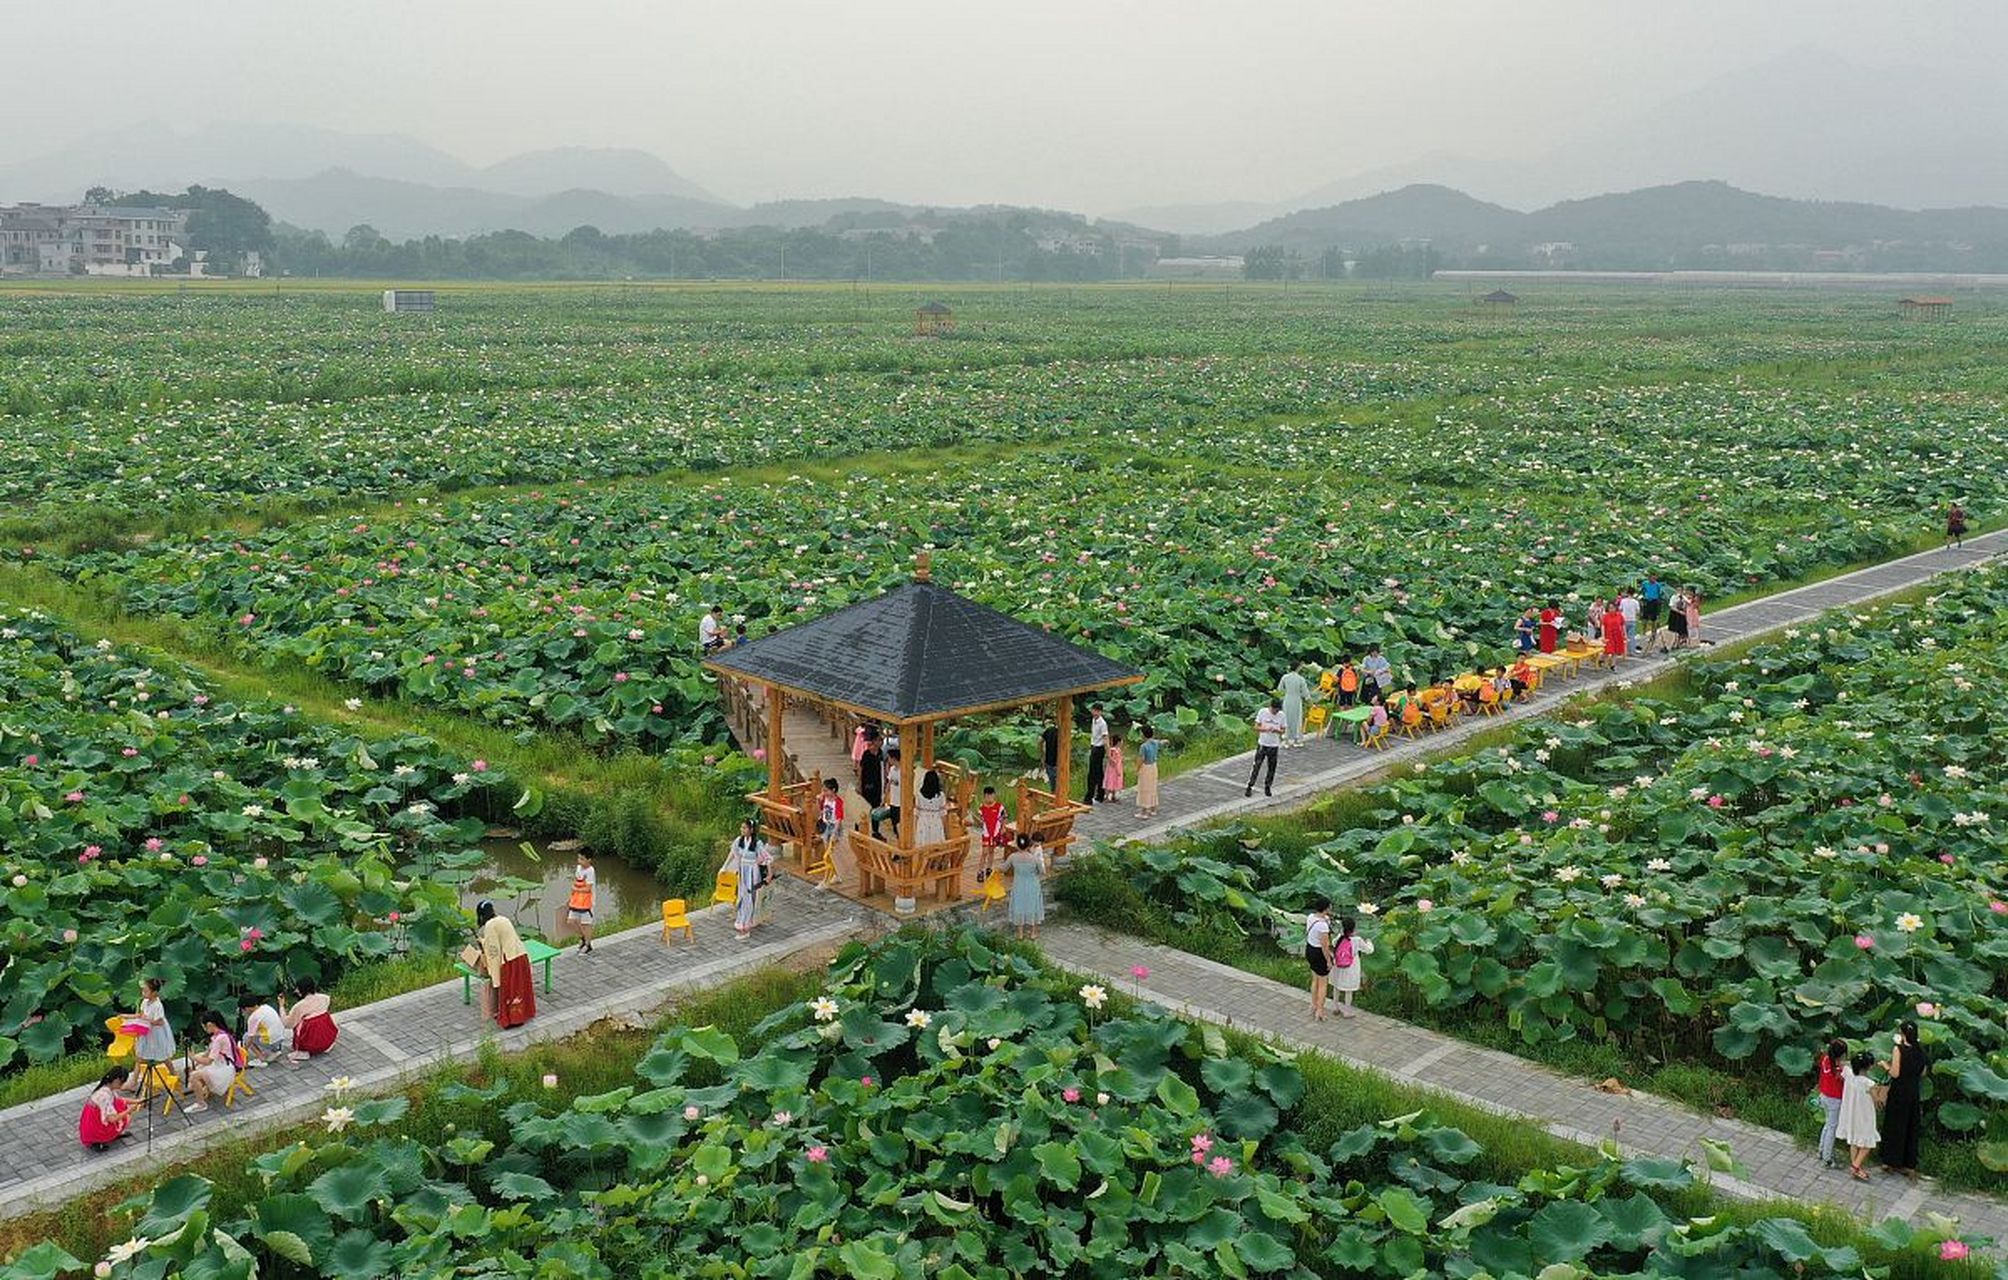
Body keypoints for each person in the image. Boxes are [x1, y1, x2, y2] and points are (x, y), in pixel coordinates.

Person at [475, 901, 537, 1027]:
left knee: (510, 989)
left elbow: (493, 952)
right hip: (521, 955)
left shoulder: (490, 926)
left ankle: (513, 1020)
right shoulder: (503, 919)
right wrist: (484, 941)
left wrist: (495, 977)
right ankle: (523, 1014)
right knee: (521, 987)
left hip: (510, 960)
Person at [1880, 1021, 1927, 1177]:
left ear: (1903, 1034)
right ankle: (1909, 1164)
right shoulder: (1921, 1051)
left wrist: (1885, 1066)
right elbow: (1923, 1073)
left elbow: (1895, 1073)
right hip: (1913, 1092)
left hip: (1899, 1092)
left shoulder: (1898, 1049)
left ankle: (1891, 1161)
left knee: (1895, 1125)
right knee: (1910, 1127)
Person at [120, 976, 175, 1094]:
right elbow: (141, 1015)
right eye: (143, 990)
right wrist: (128, 1016)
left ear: (154, 992)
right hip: (145, 1031)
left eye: (146, 991)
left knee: (163, 1055)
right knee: (140, 1056)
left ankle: (173, 1074)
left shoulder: (157, 1005)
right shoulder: (145, 1002)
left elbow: (160, 1022)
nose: (143, 993)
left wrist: (148, 1020)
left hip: (156, 1033)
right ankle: (133, 1082)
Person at [1836, 1049, 1881, 1183]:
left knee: (1854, 1141)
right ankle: (1855, 1166)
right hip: (1865, 1115)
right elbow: (1877, 1101)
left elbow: (1843, 1064)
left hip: (1851, 1114)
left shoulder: (1849, 1075)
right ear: (1869, 1066)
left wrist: (1857, 1061)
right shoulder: (1869, 1083)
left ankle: (1856, 1166)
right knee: (1867, 1143)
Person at [723, 821, 772, 939]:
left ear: (751, 830)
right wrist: (725, 867)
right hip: (743, 871)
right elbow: (733, 853)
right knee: (743, 897)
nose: (742, 829)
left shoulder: (757, 843)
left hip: (752, 872)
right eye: (742, 827)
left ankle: (745, 928)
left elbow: (767, 858)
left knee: (749, 898)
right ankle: (746, 922)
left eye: (745, 828)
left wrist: (769, 874)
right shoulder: (739, 841)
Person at [184, 1010, 238, 1113]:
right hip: (221, 1064)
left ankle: (201, 1103)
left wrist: (193, 1058)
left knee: (194, 1076)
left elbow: (208, 1061)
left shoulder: (219, 1039)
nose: (204, 1029)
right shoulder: (220, 1034)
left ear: (209, 1025)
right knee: (196, 1070)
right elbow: (208, 1052)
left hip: (223, 1069)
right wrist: (198, 1059)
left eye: (204, 1027)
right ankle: (202, 1091)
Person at [281, 977, 338, 1060]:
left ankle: (303, 1050)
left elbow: (288, 1024)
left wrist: (281, 1006)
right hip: (328, 1038)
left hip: (310, 1042)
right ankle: (324, 1046)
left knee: (300, 1023)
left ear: (301, 990)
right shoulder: (325, 998)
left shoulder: (299, 1006)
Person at [1814, 1037, 1848, 1169]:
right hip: (1835, 1100)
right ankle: (1827, 1157)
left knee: (1827, 1125)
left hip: (1824, 1096)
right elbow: (1844, 1075)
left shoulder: (1825, 1060)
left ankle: (1821, 1150)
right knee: (1832, 1128)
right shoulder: (1839, 1070)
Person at [1330, 916, 1373, 1018]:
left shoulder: (1340, 937)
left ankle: (1335, 1007)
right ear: (1354, 928)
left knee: (1336, 986)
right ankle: (1347, 1011)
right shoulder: (1357, 940)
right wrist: (1369, 942)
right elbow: (1369, 950)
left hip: (1338, 965)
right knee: (1348, 990)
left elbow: (1333, 943)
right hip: (1351, 967)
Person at [79, 1068, 133, 1150]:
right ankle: (101, 1139)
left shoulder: (105, 1088)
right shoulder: (105, 1095)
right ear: (117, 1080)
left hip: (91, 1126)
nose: (122, 1085)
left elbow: (119, 1100)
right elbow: (112, 1119)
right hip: (96, 1131)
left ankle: (111, 1134)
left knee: (120, 1105)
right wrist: (129, 1110)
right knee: (125, 1114)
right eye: (122, 1082)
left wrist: (137, 1100)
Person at [1006, 832, 1046, 940]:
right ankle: (1033, 933)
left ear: (1018, 845)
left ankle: (1020, 933)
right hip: (1032, 883)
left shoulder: (1013, 857)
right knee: (1033, 904)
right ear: (1029, 844)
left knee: (1019, 905)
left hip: (1018, 884)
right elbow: (1042, 871)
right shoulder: (1034, 858)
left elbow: (1004, 868)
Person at [1245, 698, 1285, 797]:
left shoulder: (1282, 715)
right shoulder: (1262, 712)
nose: (1276, 712)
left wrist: (1277, 730)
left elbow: (1283, 730)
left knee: (1272, 767)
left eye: (1277, 710)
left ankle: (1268, 786)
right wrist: (1265, 729)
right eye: (1274, 710)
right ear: (1270, 707)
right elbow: (1256, 727)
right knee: (1256, 766)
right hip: (1263, 743)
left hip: (1274, 745)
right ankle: (1250, 785)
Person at [1304, 899, 1334, 1022]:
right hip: (1319, 953)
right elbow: (1325, 947)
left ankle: (1313, 1004)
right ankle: (1320, 1011)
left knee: (1315, 979)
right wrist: (1328, 960)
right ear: (1326, 908)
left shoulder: (1311, 917)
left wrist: (1326, 919)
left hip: (1309, 950)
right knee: (1323, 983)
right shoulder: (1323, 926)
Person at [239, 995, 285, 1068]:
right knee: (264, 1031)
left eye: (243, 1010)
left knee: (246, 1037)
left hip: (272, 1041)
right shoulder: (266, 1007)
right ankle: (274, 1052)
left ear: (247, 1008)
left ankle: (261, 1059)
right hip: (281, 1037)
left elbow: (250, 1038)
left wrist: (244, 1050)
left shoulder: (253, 1018)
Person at [814, 777, 844, 887]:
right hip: (825, 825)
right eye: (823, 790)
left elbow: (839, 818)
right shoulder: (824, 799)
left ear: (834, 790)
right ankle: (836, 875)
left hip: (834, 827)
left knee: (829, 854)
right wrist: (819, 800)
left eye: (826, 790)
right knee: (829, 852)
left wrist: (835, 833)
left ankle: (827, 879)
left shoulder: (838, 802)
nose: (824, 792)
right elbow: (822, 810)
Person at [976, 785, 1010, 879]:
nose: (989, 798)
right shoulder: (981, 808)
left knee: (991, 851)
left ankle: (989, 868)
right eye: (987, 796)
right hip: (986, 834)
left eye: (991, 796)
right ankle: (980, 871)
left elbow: (1004, 818)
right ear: (984, 796)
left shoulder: (1000, 807)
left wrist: (1003, 828)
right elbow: (980, 821)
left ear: (994, 795)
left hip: (995, 833)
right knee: (984, 852)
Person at [567, 850, 597, 954]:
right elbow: (576, 881)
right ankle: (583, 937)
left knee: (586, 924)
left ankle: (588, 945)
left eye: (582, 859)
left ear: (589, 860)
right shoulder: (579, 868)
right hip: (576, 900)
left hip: (587, 902)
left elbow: (588, 888)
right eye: (579, 858)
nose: (579, 861)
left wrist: (576, 889)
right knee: (571, 921)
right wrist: (572, 894)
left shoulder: (590, 871)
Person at [858, 728, 885, 836]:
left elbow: (883, 768)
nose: (880, 743)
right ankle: (859, 826)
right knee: (864, 805)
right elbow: (861, 769)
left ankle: (875, 830)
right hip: (867, 783)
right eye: (878, 740)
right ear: (873, 741)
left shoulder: (880, 753)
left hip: (877, 783)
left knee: (876, 806)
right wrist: (860, 784)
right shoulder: (866, 754)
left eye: (881, 741)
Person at [871, 748, 903, 840]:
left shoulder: (903, 771)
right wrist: (884, 798)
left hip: (901, 802)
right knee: (894, 824)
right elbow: (889, 784)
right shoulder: (892, 769)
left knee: (899, 824)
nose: (888, 760)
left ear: (894, 758)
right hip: (893, 801)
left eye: (889, 758)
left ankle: (900, 842)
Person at [1279, 665, 1312, 747]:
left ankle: (1286, 740)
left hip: (1287, 699)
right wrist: (1310, 702)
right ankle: (1297, 740)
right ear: (1298, 668)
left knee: (1286, 718)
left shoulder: (1285, 677)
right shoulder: (1301, 679)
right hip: (1297, 700)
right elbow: (1305, 693)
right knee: (1297, 719)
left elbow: (1280, 689)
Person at [914, 769, 948, 845]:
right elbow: (943, 815)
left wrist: (915, 828)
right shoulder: (941, 796)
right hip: (936, 822)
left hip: (923, 822)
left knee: (922, 844)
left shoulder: (919, 794)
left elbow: (916, 813)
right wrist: (946, 831)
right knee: (935, 846)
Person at [1084, 706, 1110, 804]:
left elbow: (1105, 738)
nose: (1094, 713)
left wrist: (1108, 754)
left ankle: (1089, 797)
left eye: (1097, 711)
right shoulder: (1093, 720)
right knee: (1098, 773)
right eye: (1093, 710)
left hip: (1099, 749)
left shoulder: (1103, 724)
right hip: (1094, 747)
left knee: (1092, 774)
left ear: (1100, 712)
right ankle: (1099, 795)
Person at [1135, 724, 1161, 818]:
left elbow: (1141, 759)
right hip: (1154, 766)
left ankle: (1144, 812)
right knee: (1153, 787)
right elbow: (1162, 742)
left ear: (1143, 734)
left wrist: (1137, 769)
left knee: (1144, 788)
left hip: (1146, 768)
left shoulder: (1143, 746)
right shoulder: (1155, 743)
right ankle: (1153, 809)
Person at [1639, 574, 1665, 648]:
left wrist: (1659, 602)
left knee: (1654, 619)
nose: (1653, 579)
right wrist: (1644, 597)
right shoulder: (1645, 584)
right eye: (1652, 577)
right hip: (1647, 601)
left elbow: (1660, 594)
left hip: (1654, 602)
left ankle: (1653, 633)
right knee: (1645, 618)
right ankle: (1644, 632)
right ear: (1649, 578)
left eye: (1655, 577)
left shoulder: (1657, 585)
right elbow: (1642, 591)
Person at [1601, 597, 1627, 667]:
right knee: (1607, 650)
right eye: (1610, 608)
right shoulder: (1606, 616)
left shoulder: (1619, 615)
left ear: (1616, 608)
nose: (1611, 609)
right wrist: (1603, 636)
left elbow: (1623, 625)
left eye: (1613, 608)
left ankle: (1613, 664)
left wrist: (1625, 634)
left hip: (1617, 635)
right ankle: (1605, 663)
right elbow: (1603, 626)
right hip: (1609, 635)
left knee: (1615, 650)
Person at [1102, 732, 1125, 801]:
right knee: (1110, 780)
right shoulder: (1113, 750)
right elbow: (1111, 759)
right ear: (1118, 742)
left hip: (1117, 767)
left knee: (1115, 781)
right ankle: (1107, 796)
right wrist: (1115, 765)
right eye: (1121, 741)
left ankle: (1113, 795)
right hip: (1113, 769)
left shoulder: (1118, 750)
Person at [1618, 588, 1641, 654]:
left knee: (1622, 636)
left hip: (1624, 620)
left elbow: (1620, 609)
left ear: (1627, 593)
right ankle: (1632, 651)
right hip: (1632, 620)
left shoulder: (1623, 601)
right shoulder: (1636, 602)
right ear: (1633, 593)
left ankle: (1621, 650)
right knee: (1631, 636)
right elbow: (1638, 611)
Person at [1040, 722, 1060, 792]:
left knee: (1053, 785)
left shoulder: (1049, 730)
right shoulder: (1063, 733)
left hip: (1048, 761)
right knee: (1060, 786)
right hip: (1059, 763)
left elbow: (1040, 741)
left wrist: (1042, 755)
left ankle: (1053, 797)